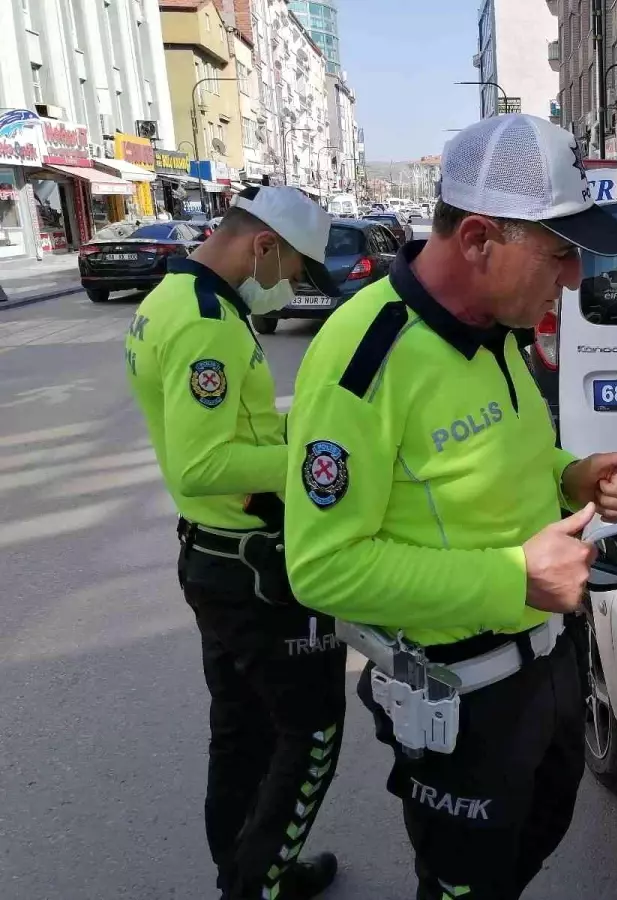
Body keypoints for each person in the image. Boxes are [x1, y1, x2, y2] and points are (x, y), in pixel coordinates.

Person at [283, 113, 617, 900]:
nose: (574, 279)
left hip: (547, 666)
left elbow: (491, 460)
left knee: (532, 842)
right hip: (464, 700)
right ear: (479, 238)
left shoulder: (493, 328)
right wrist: (513, 577)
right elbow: (321, 567)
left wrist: (570, 475)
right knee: (464, 885)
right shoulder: (364, 355)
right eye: (560, 254)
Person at [123, 185, 347, 900]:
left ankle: (248, 870)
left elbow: (227, 436)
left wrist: (291, 427)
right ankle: (255, 885)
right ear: (262, 245)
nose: (284, 286)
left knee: (243, 731)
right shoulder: (205, 323)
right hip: (250, 569)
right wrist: (318, 458)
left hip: (213, 555)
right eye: (287, 270)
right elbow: (203, 462)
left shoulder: (174, 297)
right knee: (310, 733)